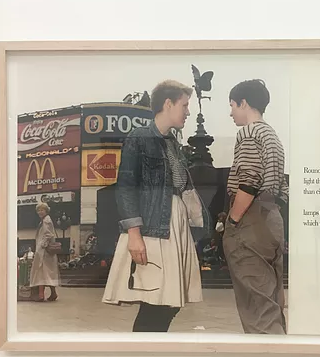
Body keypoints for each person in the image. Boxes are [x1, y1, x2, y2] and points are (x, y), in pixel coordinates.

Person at [102, 80, 212, 332]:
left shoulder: (172, 142)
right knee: (156, 302)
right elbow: (126, 186)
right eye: (184, 105)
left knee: (169, 302)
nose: (188, 112)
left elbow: (183, 187)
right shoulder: (139, 138)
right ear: (168, 103)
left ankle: (150, 344)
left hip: (175, 227)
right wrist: (134, 234)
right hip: (153, 228)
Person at [223, 79, 289, 334]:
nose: (231, 112)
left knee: (257, 310)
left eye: (232, 105)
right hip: (272, 218)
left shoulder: (249, 132)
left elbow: (249, 181)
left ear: (244, 103)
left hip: (251, 220)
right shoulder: (272, 135)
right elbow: (281, 186)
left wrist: (233, 220)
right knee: (272, 303)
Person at [29, 202, 60, 302]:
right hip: (44, 252)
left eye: (42, 210)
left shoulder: (46, 220)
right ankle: (52, 293)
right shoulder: (44, 220)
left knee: (42, 272)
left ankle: (41, 295)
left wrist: (42, 245)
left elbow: (48, 234)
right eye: (38, 210)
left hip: (44, 252)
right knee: (47, 273)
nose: (40, 212)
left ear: (46, 210)